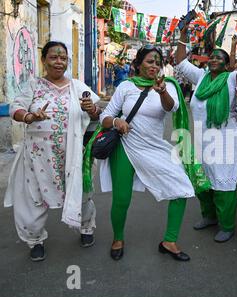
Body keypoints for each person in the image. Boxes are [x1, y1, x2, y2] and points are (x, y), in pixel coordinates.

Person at [4, 41, 101, 261]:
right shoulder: (33, 86)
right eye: (54, 57)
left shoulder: (78, 87)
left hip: (73, 155)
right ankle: (35, 240)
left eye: (63, 58)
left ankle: (86, 228)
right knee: (33, 198)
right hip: (38, 158)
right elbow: (16, 108)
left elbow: (98, 115)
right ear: (44, 60)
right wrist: (29, 116)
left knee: (82, 193)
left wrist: (92, 109)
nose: (59, 62)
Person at [98, 45, 196, 261]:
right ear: (138, 64)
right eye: (150, 61)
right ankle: (118, 238)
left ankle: (169, 241)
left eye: (158, 62)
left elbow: (171, 108)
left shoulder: (166, 86)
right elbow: (104, 117)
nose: (155, 66)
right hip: (126, 147)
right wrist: (117, 121)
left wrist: (161, 92)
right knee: (121, 199)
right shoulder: (126, 87)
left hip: (154, 148)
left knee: (182, 188)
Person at [175, 15, 237, 243]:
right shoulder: (200, 78)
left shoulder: (232, 78)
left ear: (226, 62)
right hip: (202, 140)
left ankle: (227, 225)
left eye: (219, 58)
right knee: (203, 182)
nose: (213, 59)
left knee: (223, 182)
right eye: (211, 57)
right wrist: (183, 35)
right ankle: (209, 216)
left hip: (225, 141)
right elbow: (180, 63)